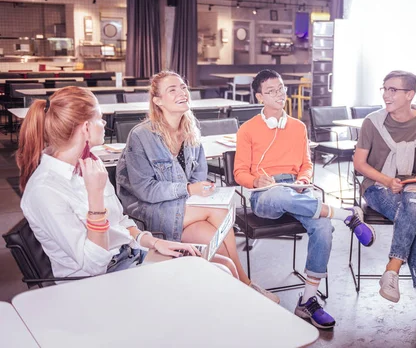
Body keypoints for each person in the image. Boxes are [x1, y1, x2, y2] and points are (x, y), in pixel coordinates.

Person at [17, 86, 214, 280]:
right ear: (86, 127)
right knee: (203, 279)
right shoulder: (45, 190)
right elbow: (95, 265)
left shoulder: (91, 164)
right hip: (98, 281)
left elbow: (119, 223)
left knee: (219, 268)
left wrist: (154, 243)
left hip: (129, 257)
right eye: (99, 118)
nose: (104, 123)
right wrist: (95, 196)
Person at [116, 71, 278, 302]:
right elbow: (145, 191)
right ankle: (247, 285)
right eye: (172, 89)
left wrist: (201, 190)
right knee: (221, 211)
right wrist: (190, 191)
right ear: (157, 101)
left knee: (217, 242)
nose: (182, 92)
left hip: (186, 211)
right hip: (149, 213)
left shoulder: (191, 132)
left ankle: (231, 300)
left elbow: (199, 177)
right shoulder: (141, 136)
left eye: (183, 87)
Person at [233, 69, 376, 329]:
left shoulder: (298, 127)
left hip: (297, 191)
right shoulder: (247, 129)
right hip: (265, 194)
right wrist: (256, 181)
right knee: (280, 193)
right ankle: (345, 214)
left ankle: (308, 301)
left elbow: (306, 164)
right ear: (259, 97)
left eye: (280, 89)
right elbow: (239, 172)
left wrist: (302, 180)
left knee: (322, 225)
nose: (278, 94)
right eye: (270, 91)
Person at [353, 70, 416, 328]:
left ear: (410, 94)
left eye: (393, 90)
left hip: (412, 184)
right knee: (411, 216)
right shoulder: (373, 123)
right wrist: (387, 181)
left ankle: (392, 269)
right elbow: (359, 163)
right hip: (377, 186)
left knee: (413, 203)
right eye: (384, 89)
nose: (386, 95)